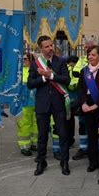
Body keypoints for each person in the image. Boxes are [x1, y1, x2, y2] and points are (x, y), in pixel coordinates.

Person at [27, 35, 71, 176]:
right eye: (47, 46)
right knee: (42, 136)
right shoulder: (35, 64)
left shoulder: (60, 62)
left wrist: (51, 76)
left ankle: (64, 162)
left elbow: (67, 80)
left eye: (51, 45)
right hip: (42, 104)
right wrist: (43, 78)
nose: (50, 48)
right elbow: (30, 84)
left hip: (58, 104)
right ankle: (41, 162)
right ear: (41, 48)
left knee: (63, 135)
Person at [78, 45, 99, 172]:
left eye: (93, 54)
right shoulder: (84, 71)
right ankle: (93, 162)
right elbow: (80, 89)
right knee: (91, 135)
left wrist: (97, 105)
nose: (90, 57)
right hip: (88, 105)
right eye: (89, 54)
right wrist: (84, 103)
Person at [72, 38, 97, 160]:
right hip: (83, 97)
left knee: (97, 126)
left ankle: (97, 150)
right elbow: (75, 73)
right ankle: (83, 148)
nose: (86, 49)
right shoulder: (82, 59)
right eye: (85, 47)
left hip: (97, 98)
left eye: (88, 47)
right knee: (82, 124)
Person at [17, 52, 38, 156]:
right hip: (24, 103)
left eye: (25, 59)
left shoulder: (36, 70)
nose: (23, 61)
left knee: (36, 123)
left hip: (36, 102)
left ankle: (35, 143)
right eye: (23, 59)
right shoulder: (19, 72)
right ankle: (25, 146)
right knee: (24, 124)